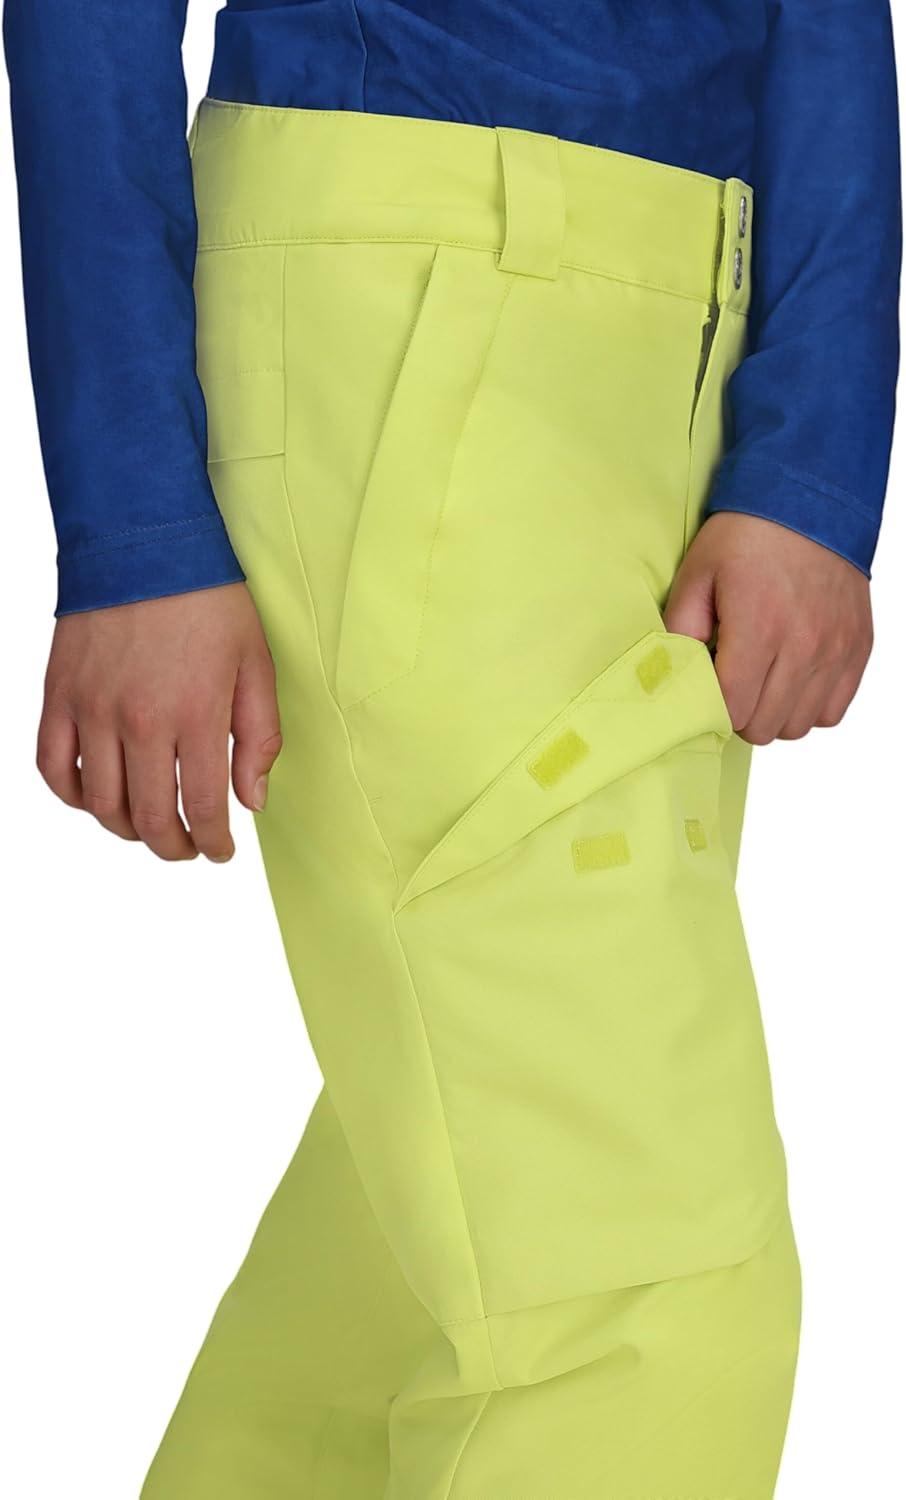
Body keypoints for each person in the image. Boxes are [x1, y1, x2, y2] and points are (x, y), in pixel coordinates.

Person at [4, 3, 900, 1496]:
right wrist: (134, 522)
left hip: (677, 342)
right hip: (408, 292)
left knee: (405, 1282)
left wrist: (812, 451)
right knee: (633, 1282)